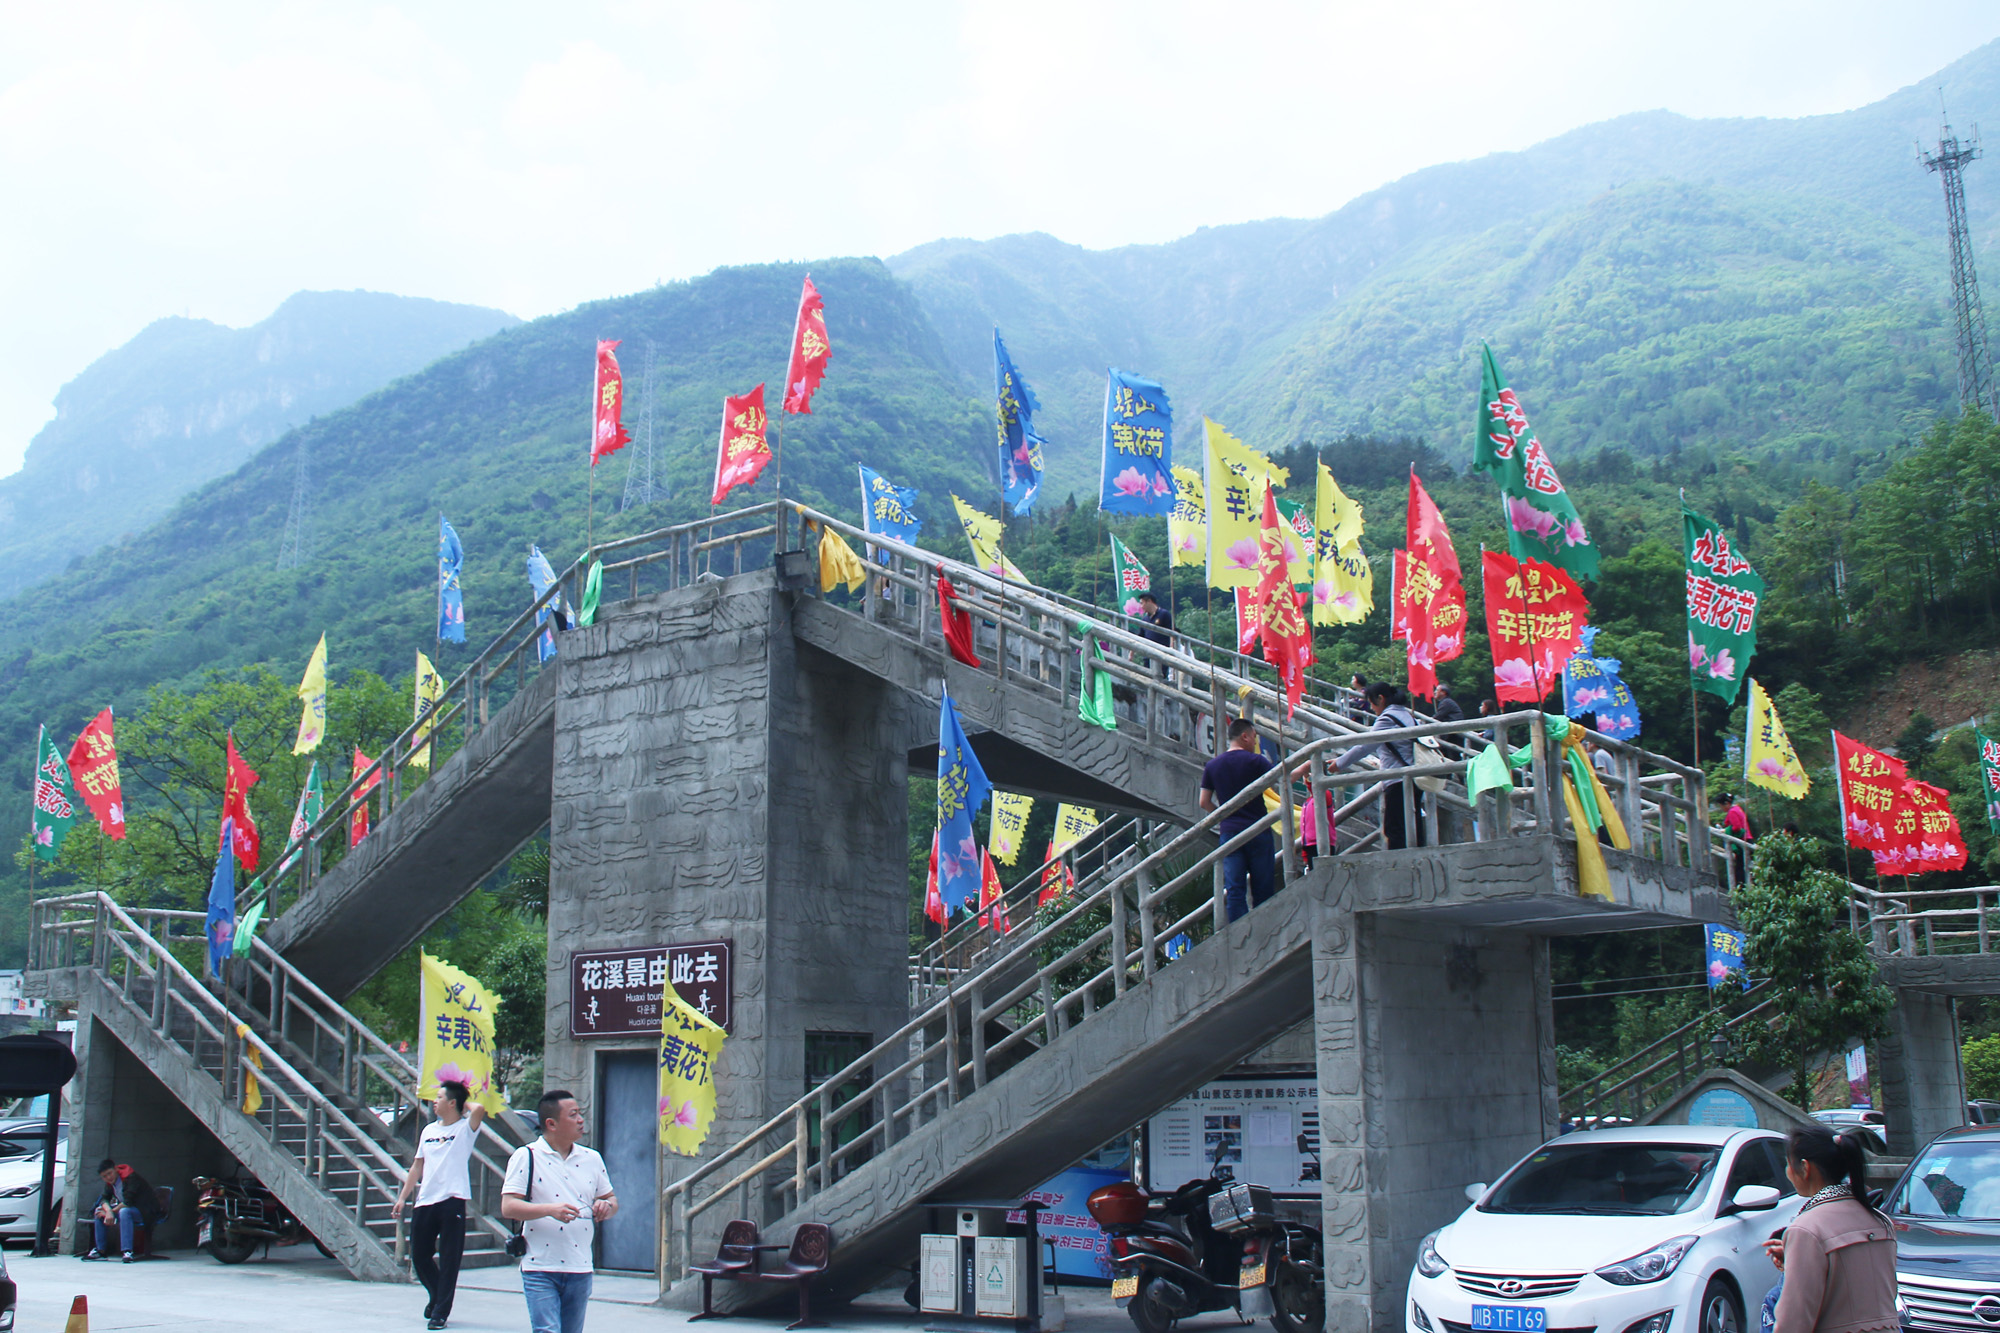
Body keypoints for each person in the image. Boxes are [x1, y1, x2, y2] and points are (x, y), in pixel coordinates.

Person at [503, 1090, 617, 1333]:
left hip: (580, 1267)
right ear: (551, 1124)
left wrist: (605, 1206)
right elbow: (508, 1206)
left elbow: (611, 1199)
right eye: (573, 1114)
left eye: (580, 1113)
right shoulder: (527, 1156)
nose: (580, 1120)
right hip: (540, 1266)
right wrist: (549, 1210)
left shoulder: (592, 1158)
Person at [1762, 1127, 1894, 1333]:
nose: (1787, 1172)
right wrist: (1796, 1257)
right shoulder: (1881, 1221)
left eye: (1788, 1163)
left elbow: (1793, 1324)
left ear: (1805, 1168)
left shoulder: (1807, 1228)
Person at [393, 1079, 489, 1329]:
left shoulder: (465, 1129)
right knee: (419, 1255)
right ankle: (436, 1296)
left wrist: (462, 1097)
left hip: (452, 1201)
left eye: (439, 1098)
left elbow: (478, 1110)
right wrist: (403, 1197)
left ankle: (440, 1313)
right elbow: (417, 1165)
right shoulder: (429, 1131)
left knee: (449, 1260)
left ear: (453, 1103)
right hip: (426, 1200)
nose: (434, 1102)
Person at [1199, 718, 1278, 921]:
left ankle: (1239, 936)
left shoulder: (1213, 765)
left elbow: (1204, 802)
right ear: (1244, 736)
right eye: (1253, 737)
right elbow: (1279, 781)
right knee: (1263, 887)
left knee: (1235, 888)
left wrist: (1223, 815)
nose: (1254, 742)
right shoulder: (1257, 761)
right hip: (1258, 830)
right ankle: (1264, 928)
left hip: (1231, 833)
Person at [1334, 682, 1425, 850]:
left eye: (1371, 702)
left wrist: (1338, 764)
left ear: (1380, 699)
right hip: (1414, 778)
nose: (1371, 708)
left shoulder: (1387, 719)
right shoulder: (1408, 716)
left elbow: (1365, 745)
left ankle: (1399, 868)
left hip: (1397, 779)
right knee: (1414, 824)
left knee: (1394, 828)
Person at [87, 1158, 162, 1261]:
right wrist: (108, 1211)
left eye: (110, 1173)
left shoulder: (130, 1177)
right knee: (99, 1211)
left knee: (124, 1211)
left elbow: (128, 1202)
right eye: (104, 1176)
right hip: (129, 1210)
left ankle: (127, 1251)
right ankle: (100, 1251)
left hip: (146, 1211)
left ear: (115, 1169)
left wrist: (111, 1212)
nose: (108, 1177)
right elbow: (104, 1198)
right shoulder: (110, 1184)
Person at [1722, 791, 1754, 882]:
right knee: (1746, 865)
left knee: (1740, 867)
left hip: (1743, 840)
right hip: (1748, 839)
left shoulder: (1732, 812)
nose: (1721, 808)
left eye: (1721, 805)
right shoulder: (1737, 808)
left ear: (1726, 803)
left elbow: (1737, 827)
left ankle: (1741, 889)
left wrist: (1726, 830)